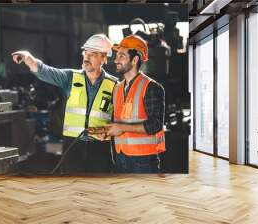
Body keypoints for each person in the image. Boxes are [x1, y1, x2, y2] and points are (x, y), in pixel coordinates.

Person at [11, 34, 118, 173]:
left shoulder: (115, 85)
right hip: (72, 147)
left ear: (104, 57)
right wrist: (27, 57)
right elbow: (45, 71)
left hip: (100, 150)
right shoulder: (70, 78)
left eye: (93, 54)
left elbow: (121, 120)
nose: (87, 57)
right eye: (86, 53)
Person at [105, 34, 166, 173]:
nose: (116, 60)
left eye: (121, 56)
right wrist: (108, 131)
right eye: (117, 56)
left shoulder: (151, 87)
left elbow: (155, 125)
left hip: (143, 160)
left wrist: (121, 127)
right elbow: (119, 120)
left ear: (134, 60)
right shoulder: (117, 88)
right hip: (120, 157)